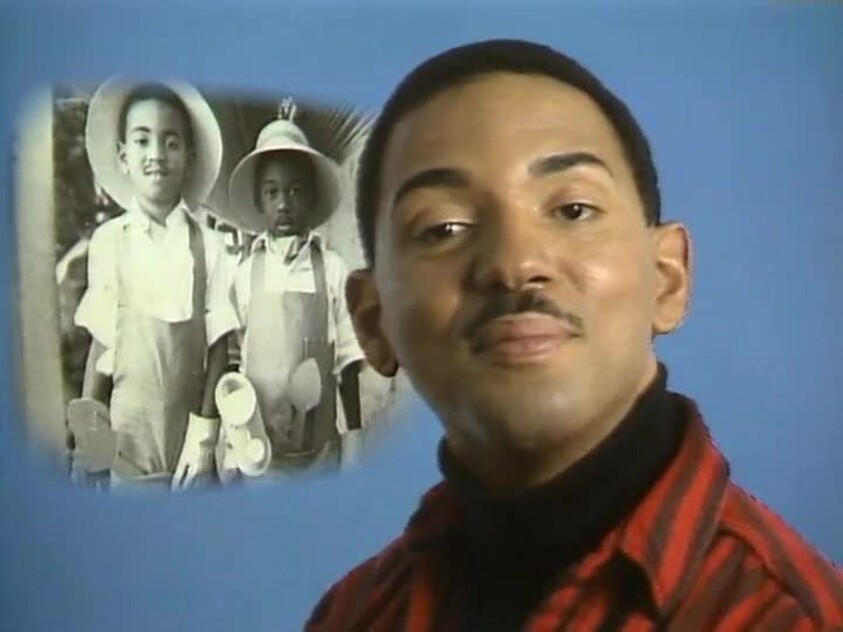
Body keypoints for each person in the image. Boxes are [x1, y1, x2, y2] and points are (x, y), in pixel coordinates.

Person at [306, 40, 843, 630]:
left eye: (573, 210)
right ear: (371, 319)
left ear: (668, 279)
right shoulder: (357, 614)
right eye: (444, 227)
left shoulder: (780, 615)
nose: (514, 264)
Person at [71, 78, 229, 489]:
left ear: (190, 157)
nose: (156, 154)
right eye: (142, 141)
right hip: (126, 436)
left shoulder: (207, 245)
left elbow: (218, 348)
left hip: (187, 438)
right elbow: (103, 347)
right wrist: (90, 440)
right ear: (123, 156)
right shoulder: (110, 242)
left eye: (171, 142)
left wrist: (205, 436)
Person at [205, 101, 366, 480]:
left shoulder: (331, 268)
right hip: (259, 450)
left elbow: (347, 360)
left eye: (294, 191)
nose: (284, 203)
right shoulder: (243, 273)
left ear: (310, 197)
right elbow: (230, 361)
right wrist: (229, 435)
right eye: (273, 192)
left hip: (320, 450)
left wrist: (354, 436)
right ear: (260, 200)